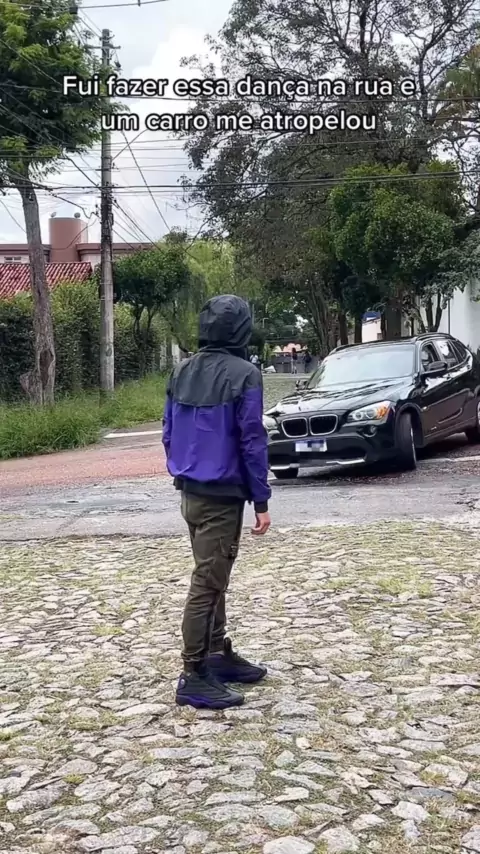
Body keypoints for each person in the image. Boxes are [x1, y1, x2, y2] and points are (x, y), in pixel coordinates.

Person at [162, 294, 271, 710]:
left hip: (190, 491)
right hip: (222, 493)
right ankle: (193, 673)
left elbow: (168, 430)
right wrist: (261, 498)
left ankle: (215, 653)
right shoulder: (245, 375)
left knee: (212, 576)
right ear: (242, 329)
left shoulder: (181, 371)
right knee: (208, 583)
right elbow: (251, 440)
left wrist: (182, 468)